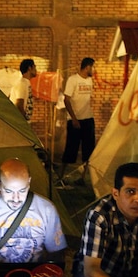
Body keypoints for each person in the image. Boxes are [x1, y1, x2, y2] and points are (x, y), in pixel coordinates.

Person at [58, 57, 95, 186]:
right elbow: (66, 100)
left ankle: (82, 178)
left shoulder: (90, 80)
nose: (93, 70)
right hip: (75, 120)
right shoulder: (73, 80)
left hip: (88, 119)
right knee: (70, 149)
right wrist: (73, 118)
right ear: (87, 67)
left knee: (88, 150)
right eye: (92, 67)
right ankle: (60, 177)